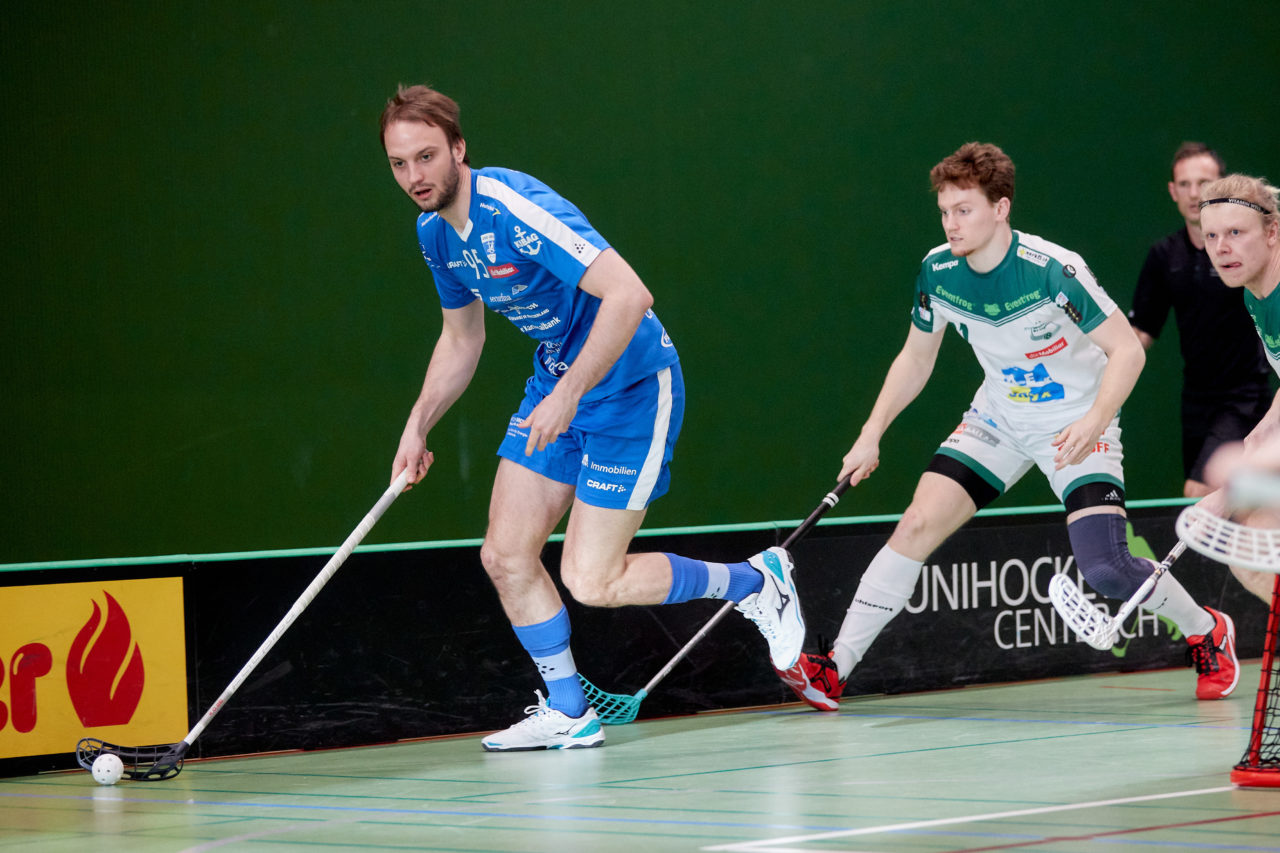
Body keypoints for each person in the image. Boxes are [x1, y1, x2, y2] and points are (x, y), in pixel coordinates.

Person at [379, 85, 804, 751]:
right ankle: (571, 711)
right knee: (504, 553)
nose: (415, 177)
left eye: (426, 156)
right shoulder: (436, 234)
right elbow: (463, 339)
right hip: (558, 380)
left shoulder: (514, 206)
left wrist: (572, 392)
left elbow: (630, 293)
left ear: (459, 149)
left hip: (631, 384)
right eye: (400, 164)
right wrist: (418, 424)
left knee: (591, 580)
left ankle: (757, 580)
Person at [775, 142, 1239, 712]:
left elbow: (1128, 352)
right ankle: (834, 669)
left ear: (1001, 208)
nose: (952, 224)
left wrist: (1094, 421)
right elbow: (916, 359)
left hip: (1076, 424)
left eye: (964, 210)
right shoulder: (938, 270)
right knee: (917, 521)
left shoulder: (1053, 270)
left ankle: (1206, 629)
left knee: (1107, 568)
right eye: (945, 211)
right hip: (998, 417)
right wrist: (871, 433)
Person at [1128, 143, 1271, 498]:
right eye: (1185, 184)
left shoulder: (1254, 266)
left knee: (1201, 492)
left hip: (1244, 397)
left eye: (1204, 182)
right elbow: (1140, 331)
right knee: (1237, 511)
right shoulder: (1166, 256)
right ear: (1173, 191)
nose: (1195, 193)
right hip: (1195, 401)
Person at [1195, 174, 1280, 602]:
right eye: (1211, 235)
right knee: (1250, 549)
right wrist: (1266, 427)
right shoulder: (1257, 294)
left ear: (1272, 231)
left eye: (1235, 233)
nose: (1221, 247)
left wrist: (1232, 487)